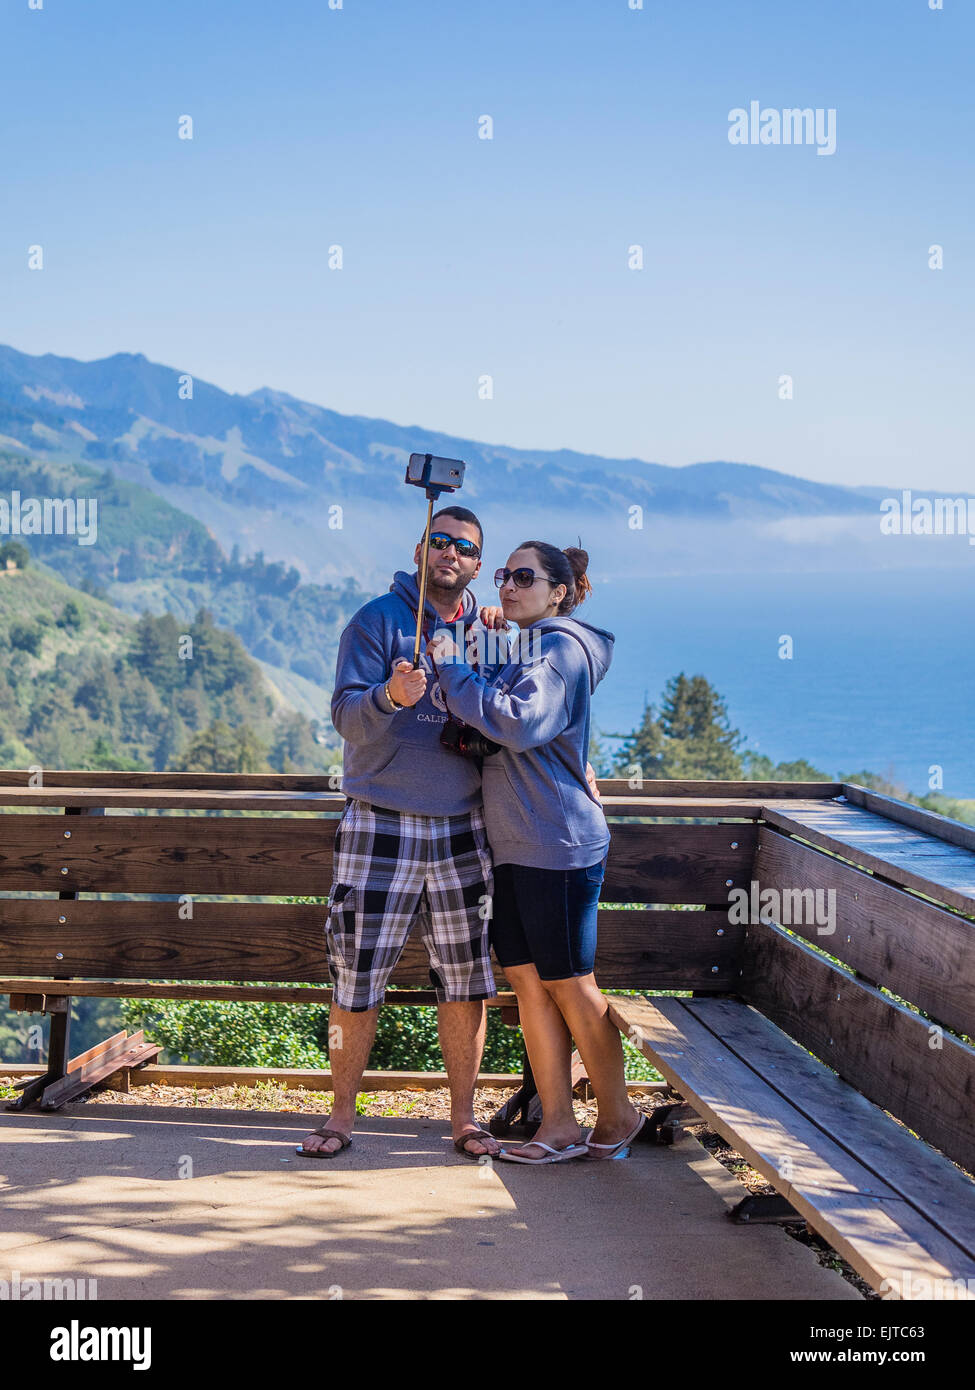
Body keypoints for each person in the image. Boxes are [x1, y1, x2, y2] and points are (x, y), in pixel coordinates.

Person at [427, 541, 645, 1163]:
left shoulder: (558, 648)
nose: (509, 586)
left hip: (558, 842)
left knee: (571, 983)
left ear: (559, 592)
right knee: (525, 981)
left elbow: (518, 722)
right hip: (516, 842)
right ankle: (558, 1124)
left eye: (525, 577)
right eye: (504, 575)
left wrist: (451, 665)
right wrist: (479, 642)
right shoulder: (527, 642)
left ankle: (618, 1115)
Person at [298, 506, 504, 1160]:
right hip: (378, 821)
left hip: (462, 826)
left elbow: (526, 713)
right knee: (355, 981)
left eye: (463, 548)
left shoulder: (489, 630)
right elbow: (345, 719)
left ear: (476, 564)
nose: (448, 553)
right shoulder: (375, 621)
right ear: (419, 548)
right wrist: (390, 697)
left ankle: (465, 1119)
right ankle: (339, 1117)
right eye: (438, 541)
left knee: (467, 981)